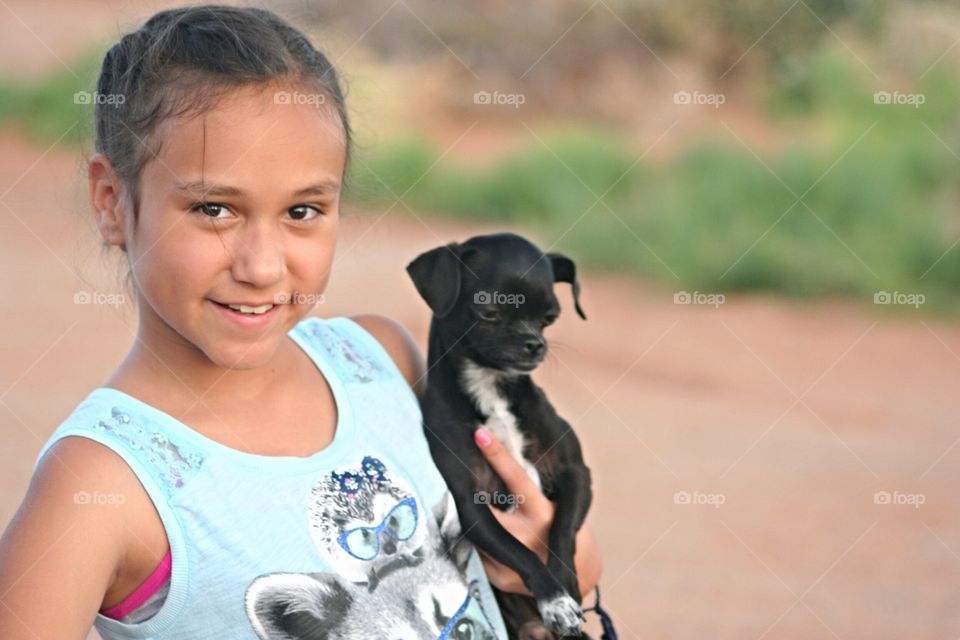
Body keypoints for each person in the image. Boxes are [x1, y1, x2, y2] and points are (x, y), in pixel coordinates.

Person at [0, 5, 601, 639]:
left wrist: (554, 560)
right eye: (213, 209)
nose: (262, 267)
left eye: (303, 211)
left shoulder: (382, 361)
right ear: (111, 203)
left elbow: (559, 567)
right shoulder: (99, 483)